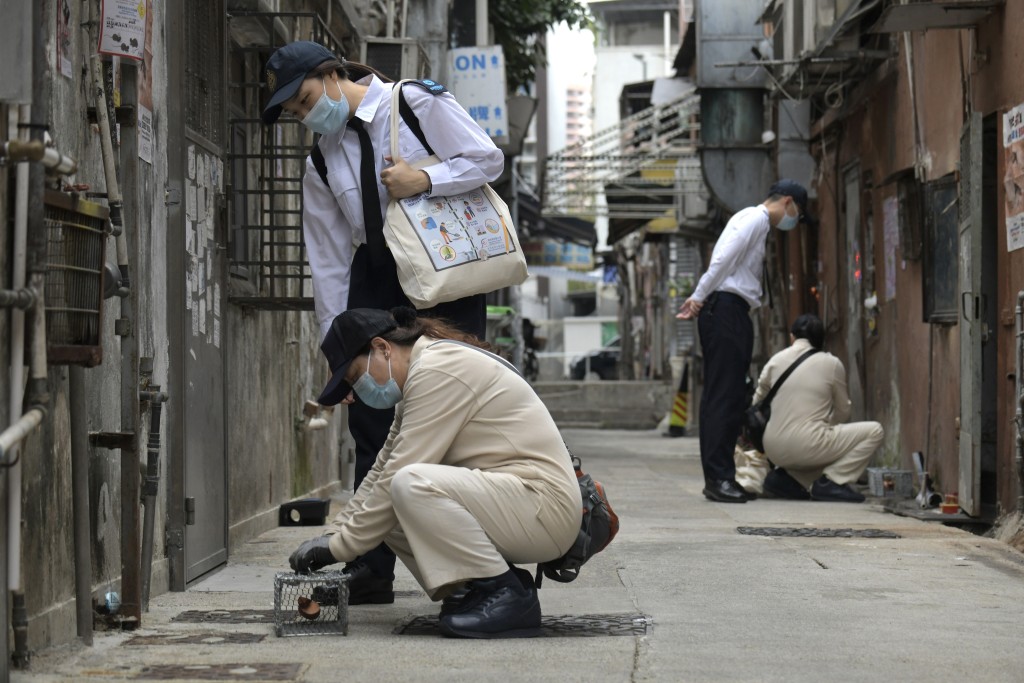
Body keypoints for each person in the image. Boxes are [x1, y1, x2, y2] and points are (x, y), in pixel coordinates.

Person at [262, 41, 504, 604]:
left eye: (303, 99)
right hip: (375, 277)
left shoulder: (414, 103)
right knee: (373, 424)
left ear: (330, 73)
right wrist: (335, 349)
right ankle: (371, 569)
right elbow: (325, 258)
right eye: (295, 113)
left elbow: (487, 159)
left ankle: (482, 567)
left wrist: (426, 180)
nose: (305, 115)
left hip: (443, 275)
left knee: (456, 411)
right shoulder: (321, 159)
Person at [288, 307, 582, 639]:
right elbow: (378, 474)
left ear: (383, 347)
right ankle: (473, 587)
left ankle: (507, 595)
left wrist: (338, 549)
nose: (356, 390)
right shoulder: (418, 378)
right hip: (520, 503)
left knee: (410, 485)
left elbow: (398, 474)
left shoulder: (438, 370)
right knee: (391, 502)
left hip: (545, 506)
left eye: (355, 376)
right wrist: (334, 535)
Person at [677, 179, 814, 503]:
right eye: (797, 213)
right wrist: (698, 296)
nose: (794, 221)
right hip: (725, 308)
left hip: (730, 310)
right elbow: (723, 258)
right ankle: (718, 479)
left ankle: (723, 476)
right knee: (724, 396)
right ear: (789, 203)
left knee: (730, 395)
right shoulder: (755, 219)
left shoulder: (754, 221)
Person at [755, 314, 884, 502]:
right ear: (821, 340)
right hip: (808, 444)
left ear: (792, 337)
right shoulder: (832, 364)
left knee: (812, 448)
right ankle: (832, 482)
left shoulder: (775, 360)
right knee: (875, 431)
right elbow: (843, 410)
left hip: (772, 447)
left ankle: (785, 478)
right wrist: (826, 426)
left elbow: (757, 400)